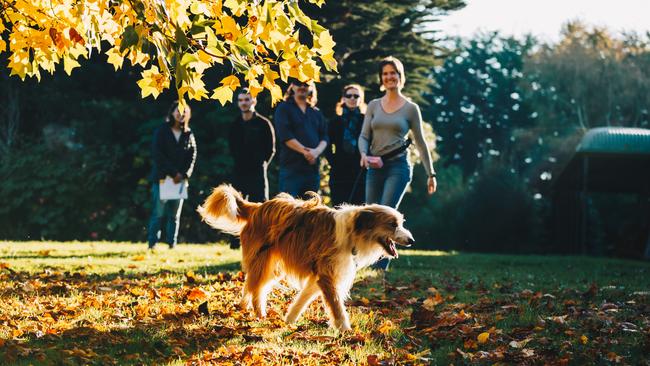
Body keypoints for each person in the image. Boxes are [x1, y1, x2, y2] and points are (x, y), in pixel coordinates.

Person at [359, 56, 438, 270]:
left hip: (398, 168)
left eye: (393, 73)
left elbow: (421, 143)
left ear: (400, 76)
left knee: (387, 214)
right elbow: (364, 136)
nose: (389, 77)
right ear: (381, 78)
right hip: (374, 167)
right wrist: (364, 154)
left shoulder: (411, 108)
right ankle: (365, 263)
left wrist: (431, 174)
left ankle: (380, 267)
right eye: (385, 74)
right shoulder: (374, 105)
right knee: (369, 216)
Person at [227, 88, 275, 249]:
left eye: (247, 100)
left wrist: (262, 164)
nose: (244, 103)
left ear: (253, 101)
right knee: (236, 206)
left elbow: (271, 149)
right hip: (239, 170)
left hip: (257, 172)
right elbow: (231, 147)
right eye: (240, 100)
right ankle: (235, 242)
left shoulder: (264, 123)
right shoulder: (234, 124)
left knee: (260, 206)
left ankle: (262, 240)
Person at [147, 101, 197, 250]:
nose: (180, 114)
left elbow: (192, 156)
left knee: (174, 216)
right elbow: (157, 154)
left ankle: (172, 244)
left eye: (184, 112)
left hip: (180, 181)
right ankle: (153, 243)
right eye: (178, 111)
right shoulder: (162, 131)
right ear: (172, 112)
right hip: (163, 179)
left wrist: (183, 174)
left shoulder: (189, 133)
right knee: (158, 214)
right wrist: (173, 173)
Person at [274, 81, 329, 198]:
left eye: (306, 84)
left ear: (311, 88)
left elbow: (325, 136)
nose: (302, 87)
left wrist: (316, 152)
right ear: (292, 86)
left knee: (311, 211)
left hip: (312, 170)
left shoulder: (316, 112)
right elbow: (285, 135)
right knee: (289, 210)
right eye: (299, 84)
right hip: (291, 169)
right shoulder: (284, 108)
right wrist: (306, 152)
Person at [327, 84, 367, 206]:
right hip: (339, 172)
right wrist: (333, 161)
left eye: (356, 96)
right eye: (349, 95)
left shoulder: (365, 120)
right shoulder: (334, 122)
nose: (352, 98)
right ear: (343, 98)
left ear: (361, 99)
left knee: (359, 211)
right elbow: (327, 145)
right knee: (339, 209)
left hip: (360, 171)